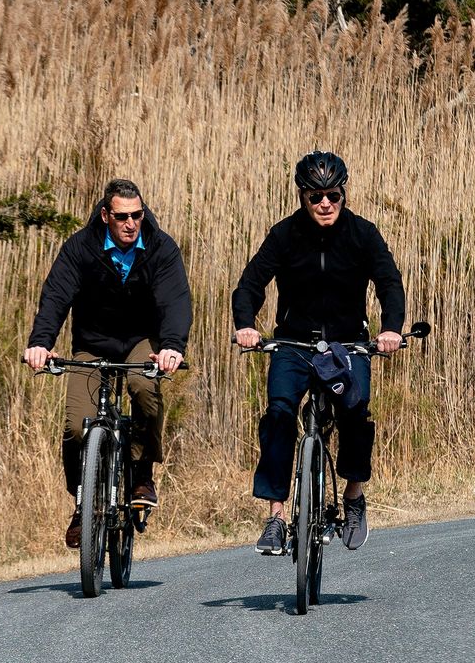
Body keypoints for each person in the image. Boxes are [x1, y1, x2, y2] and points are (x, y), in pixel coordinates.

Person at [232, 151, 404, 555]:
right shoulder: (284, 234)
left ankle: (354, 495)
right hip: (293, 344)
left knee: (355, 412)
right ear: (302, 197)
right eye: (315, 196)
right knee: (278, 413)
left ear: (343, 194)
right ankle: (276, 516)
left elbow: (389, 283)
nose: (325, 204)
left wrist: (391, 329)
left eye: (333, 195)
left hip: (348, 346)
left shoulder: (363, 234)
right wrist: (246, 324)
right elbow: (250, 284)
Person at [25, 179, 193, 549]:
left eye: (137, 215)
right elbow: (56, 296)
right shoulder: (81, 248)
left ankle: (141, 472)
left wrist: (172, 347)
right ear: (106, 215)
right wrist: (41, 343)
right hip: (92, 345)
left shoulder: (161, 249)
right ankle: (82, 502)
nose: (131, 223)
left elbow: (175, 301)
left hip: (139, 343)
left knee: (144, 388)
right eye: (122, 217)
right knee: (74, 426)